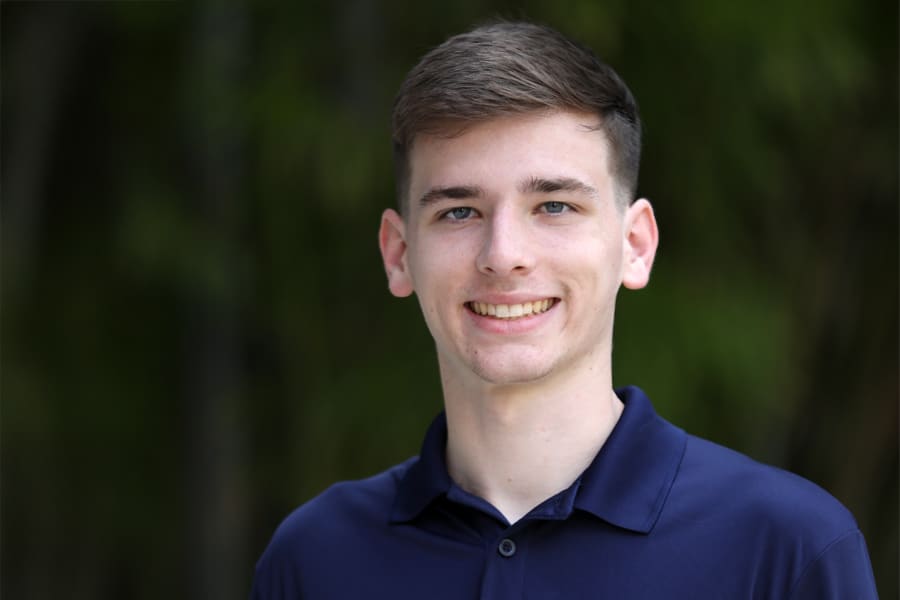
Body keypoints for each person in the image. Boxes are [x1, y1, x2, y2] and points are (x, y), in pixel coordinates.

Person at [251, 21, 878, 599]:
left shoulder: (786, 549)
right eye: (459, 211)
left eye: (554, 206)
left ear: (634, 246)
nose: (504, 256)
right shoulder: (316, 559)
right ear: (398, 254)